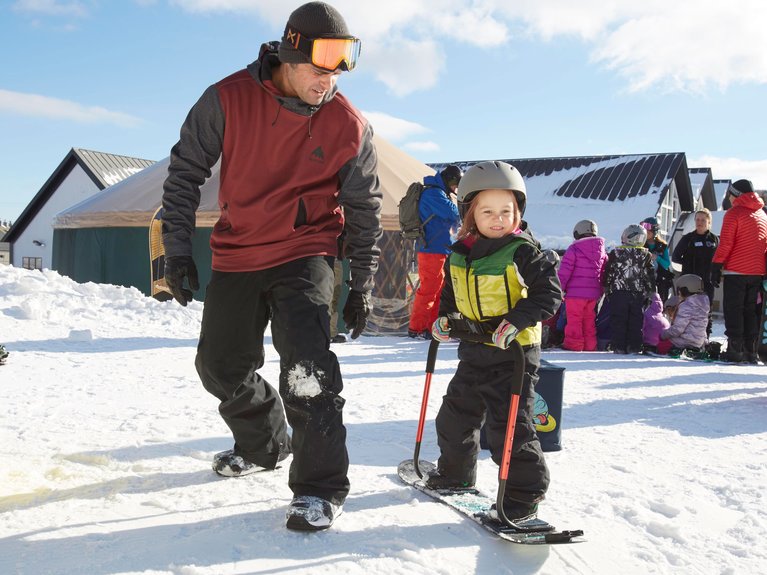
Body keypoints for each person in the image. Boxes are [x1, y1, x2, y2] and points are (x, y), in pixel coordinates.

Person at [160, 1, 383, 531]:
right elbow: (185, 172)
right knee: (219, 368)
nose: (326, 82)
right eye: (317, 69)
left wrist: (361, 286)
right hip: (238, 251)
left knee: (307, 370)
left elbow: (365, 209)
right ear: (288, 53)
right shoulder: (227, 99)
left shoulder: (349, 125)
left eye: (337, 72)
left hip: (305, 251)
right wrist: (176, 250)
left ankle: (320, 489)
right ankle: (264, 443)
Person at [427, 161, 562, 522]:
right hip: (474, 351)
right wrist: (445, 319)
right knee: (453, 418)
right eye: (488, 211)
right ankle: (456, 473)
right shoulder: (459, 253)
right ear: (470, 213)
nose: (498, 218)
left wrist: (514, 322)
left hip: (514, 355)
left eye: (507, 211)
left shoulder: (523, 251)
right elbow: (452, 296)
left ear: (518, 211)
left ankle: (523, 496)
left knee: (509, 429)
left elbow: (548, 295)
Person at [710, 179, 767, 363]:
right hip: (757, 272)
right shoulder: (762, 215)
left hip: (736, 270)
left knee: (734, 310)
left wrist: (716, 265)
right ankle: (750, 350)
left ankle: (735, 350)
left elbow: (726, 243)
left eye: (730, 195)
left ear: (736, 195)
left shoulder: (734, 214)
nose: (729, 199)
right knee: (751, 311)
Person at [407, 165, 462, 338]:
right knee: (429, 289)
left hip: (440, 249)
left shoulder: (439, 192)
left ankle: (431, 327)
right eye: (455, 183)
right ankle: (416, 328)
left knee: (438, 290)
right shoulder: (433, 193)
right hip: (432, 250)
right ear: (449, 180)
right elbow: (454, 213)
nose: (455, 188)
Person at [602, 224, 655, 354]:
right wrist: (650, 291)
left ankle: (618, 346)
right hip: (637, 293)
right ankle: (634, 346)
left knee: (619, 320)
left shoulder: (616, 253)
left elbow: (608, 271)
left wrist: (606, 286)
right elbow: (650, 275)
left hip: (618, 292)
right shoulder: (645, 255)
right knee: (636, 321)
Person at [557, 219, 607, 351]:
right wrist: (600, 291)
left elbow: (564, 272)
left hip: (575, 294)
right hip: (593, 294)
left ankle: (574, 345)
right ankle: (590, 346)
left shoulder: (574, 249)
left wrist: (559, 288)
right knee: (589, 320)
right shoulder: (602, 252)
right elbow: (603, 273)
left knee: (574, 320)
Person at [671, 208, 718, 335]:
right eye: (697, 219)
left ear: (708, 222)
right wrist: (687, 265)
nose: (700, 222)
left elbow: (719, 260)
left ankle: (704, 338)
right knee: (686, 310)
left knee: (706, 311)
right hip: (689, 281)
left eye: (703, 220)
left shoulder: (714, 240)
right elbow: (675, 257)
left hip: (707, 282)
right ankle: (683, 337)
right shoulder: (688, 238)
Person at [659, 274, 710, 355]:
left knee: (657, 344)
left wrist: (662, 335)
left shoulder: (687, 306)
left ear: (686, 290)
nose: (679, 295)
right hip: (697, 343)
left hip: (683, 343)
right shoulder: (703, 305)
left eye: (679, 291)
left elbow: (677, 329)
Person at [641, 217, 674, 302]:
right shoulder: (641, 245)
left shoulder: (662, 246)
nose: (646, 232)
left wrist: (657, 258)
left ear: (654, 230)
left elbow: (667, 264)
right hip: (645, 280)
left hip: (659, 281)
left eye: (648, 230)